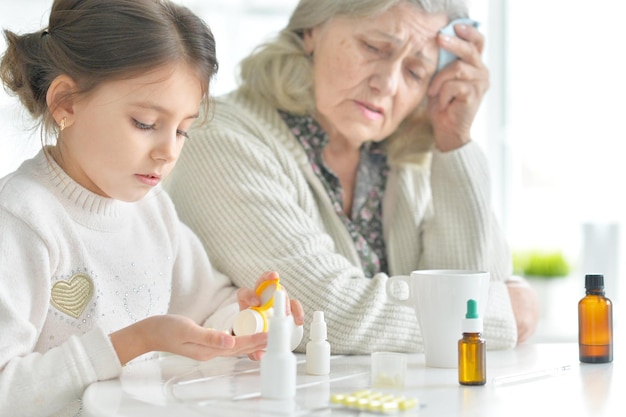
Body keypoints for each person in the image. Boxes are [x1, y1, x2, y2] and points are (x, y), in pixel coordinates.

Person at [165, 0, 540, 354]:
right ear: (313, 28)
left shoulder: (412, 156)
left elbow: (478, 284)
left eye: (415, 72)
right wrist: (499, 314)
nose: (388, 84)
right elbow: (323, 310)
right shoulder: (219, 137)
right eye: (374, 47)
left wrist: (454, 142)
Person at [0, 1, 303, 416]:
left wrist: (244, 321)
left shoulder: (153, 210)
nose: (168, 152)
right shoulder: (20, 220)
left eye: (183, 130)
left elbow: (206, 306)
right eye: (145, 123)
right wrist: (133, 343)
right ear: (66, 102)